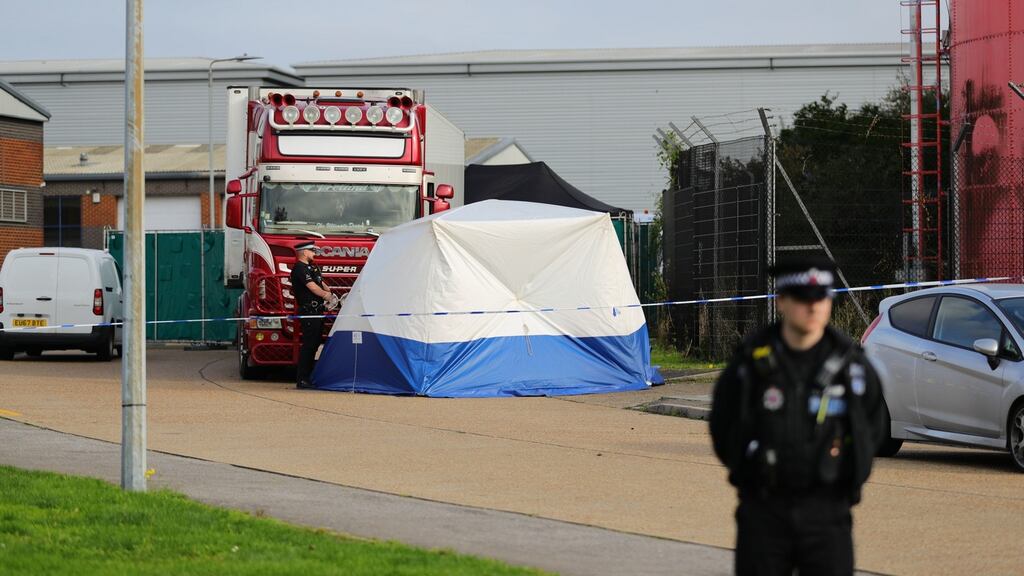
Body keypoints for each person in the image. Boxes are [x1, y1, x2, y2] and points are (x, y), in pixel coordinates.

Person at [709, 255, 886, 576]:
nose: (813, 307)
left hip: (827, 514)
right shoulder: (749, 365)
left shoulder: (852, 368)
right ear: (782, 301)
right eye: (803, 298)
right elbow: (724, 426)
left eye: (822, 297)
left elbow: (870, 427)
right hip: (764, 513)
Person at [290, 240, 337, 389]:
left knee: (315, 344)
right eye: (312, 251)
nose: (314, 253)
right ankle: (302, 379)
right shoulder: (299, 268)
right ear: (304, 252)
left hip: (318, 311)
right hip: (309, 311)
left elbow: (320, 283)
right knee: (309, 345)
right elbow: (312, 287)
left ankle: (309, 376)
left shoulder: (312, 267)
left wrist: (330, 292)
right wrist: (326, 296)